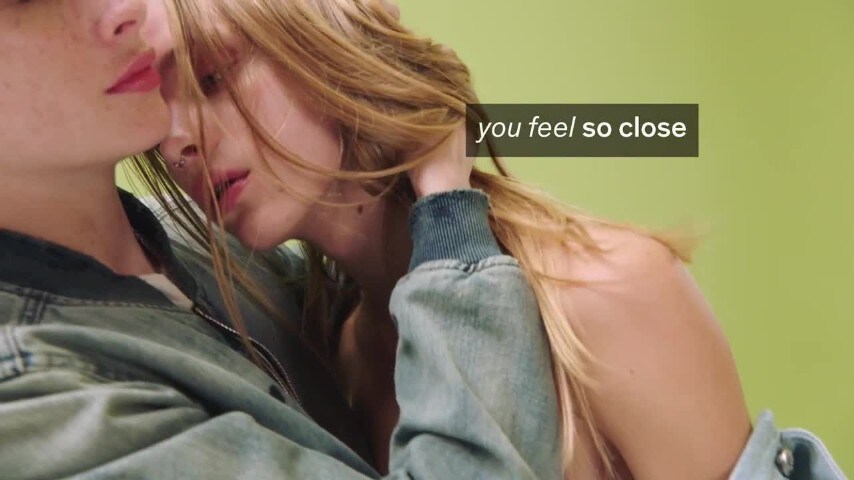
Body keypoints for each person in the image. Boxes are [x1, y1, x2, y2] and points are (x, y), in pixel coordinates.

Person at [137, 0, 754, 478]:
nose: (175, 143)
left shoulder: (604, 294)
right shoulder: (332, 360)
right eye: (153, 118)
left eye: (211, 76)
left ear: (327, 37)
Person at [0, 1, 561, 479]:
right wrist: (448, 218)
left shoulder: (204, 245)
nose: (124, 9)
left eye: (211, 78)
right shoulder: (39, 401)